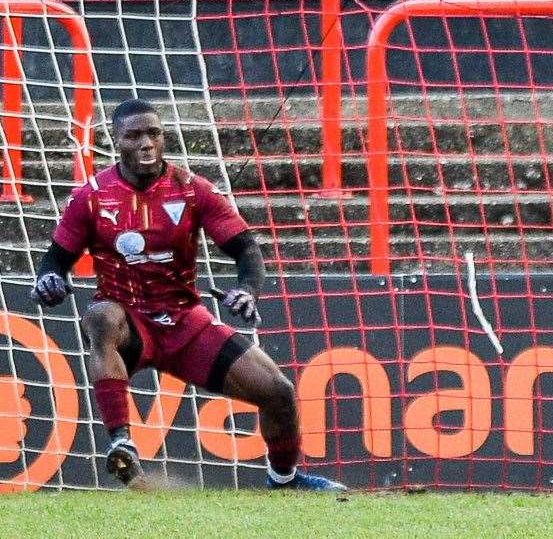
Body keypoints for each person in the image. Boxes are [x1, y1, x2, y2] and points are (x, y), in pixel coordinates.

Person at [30, 98, 346, 492]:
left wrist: (247, 290)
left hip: (185, 323)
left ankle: (284, 480)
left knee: (278, 392)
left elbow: (246, 249)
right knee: (100, 317)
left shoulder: (193, 191)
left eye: (154, 134)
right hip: (130, 325)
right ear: (116, 140)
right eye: (134, 135)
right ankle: (121, 442)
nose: (146, 143)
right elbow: (54, 261)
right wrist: (48, 282)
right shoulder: (90, 197)